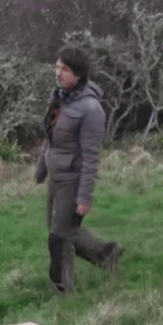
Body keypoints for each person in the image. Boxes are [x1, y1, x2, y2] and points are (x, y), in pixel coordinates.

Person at [34, 45, 123, 295]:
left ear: (79, 75)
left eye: (65, 69)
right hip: (56, 175)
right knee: (59, 228)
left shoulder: (91, 109)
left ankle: (63, 292)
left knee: (59, 239)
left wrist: (84, 197)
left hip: (72, 180)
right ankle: (106, 254)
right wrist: (41, 169)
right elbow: (51, 137)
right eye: (57, 67)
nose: (58, 73)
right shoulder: (59, 98)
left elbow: (91, 157)